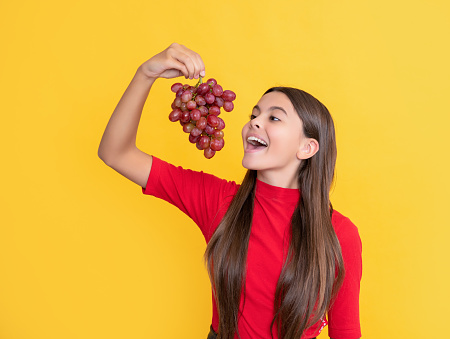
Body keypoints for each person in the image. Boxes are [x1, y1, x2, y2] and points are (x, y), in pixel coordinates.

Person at [98, 42, 362, 339]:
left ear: (307, 147)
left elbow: (346, 331)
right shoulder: (219, 201)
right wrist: (145, 73)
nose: (253, 124)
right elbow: (115, 153)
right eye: (254, 115)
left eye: (273, 118)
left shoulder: (340, 234)